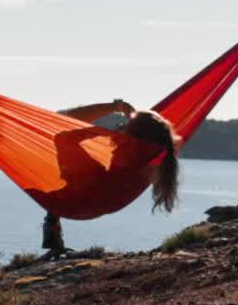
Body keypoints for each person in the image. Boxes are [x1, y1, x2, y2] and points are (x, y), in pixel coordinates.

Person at [39, 99, 181, 251]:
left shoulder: (128, 156)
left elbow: (62, 132)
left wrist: (104, 125)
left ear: (134, 139)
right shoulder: (148, 155)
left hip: (86, 196)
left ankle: (52, 223)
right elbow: (62, 120)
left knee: (55, 144)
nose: (119, 129)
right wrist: (117, 110)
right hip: (93, 197)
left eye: (124, 126)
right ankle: (52, 224)